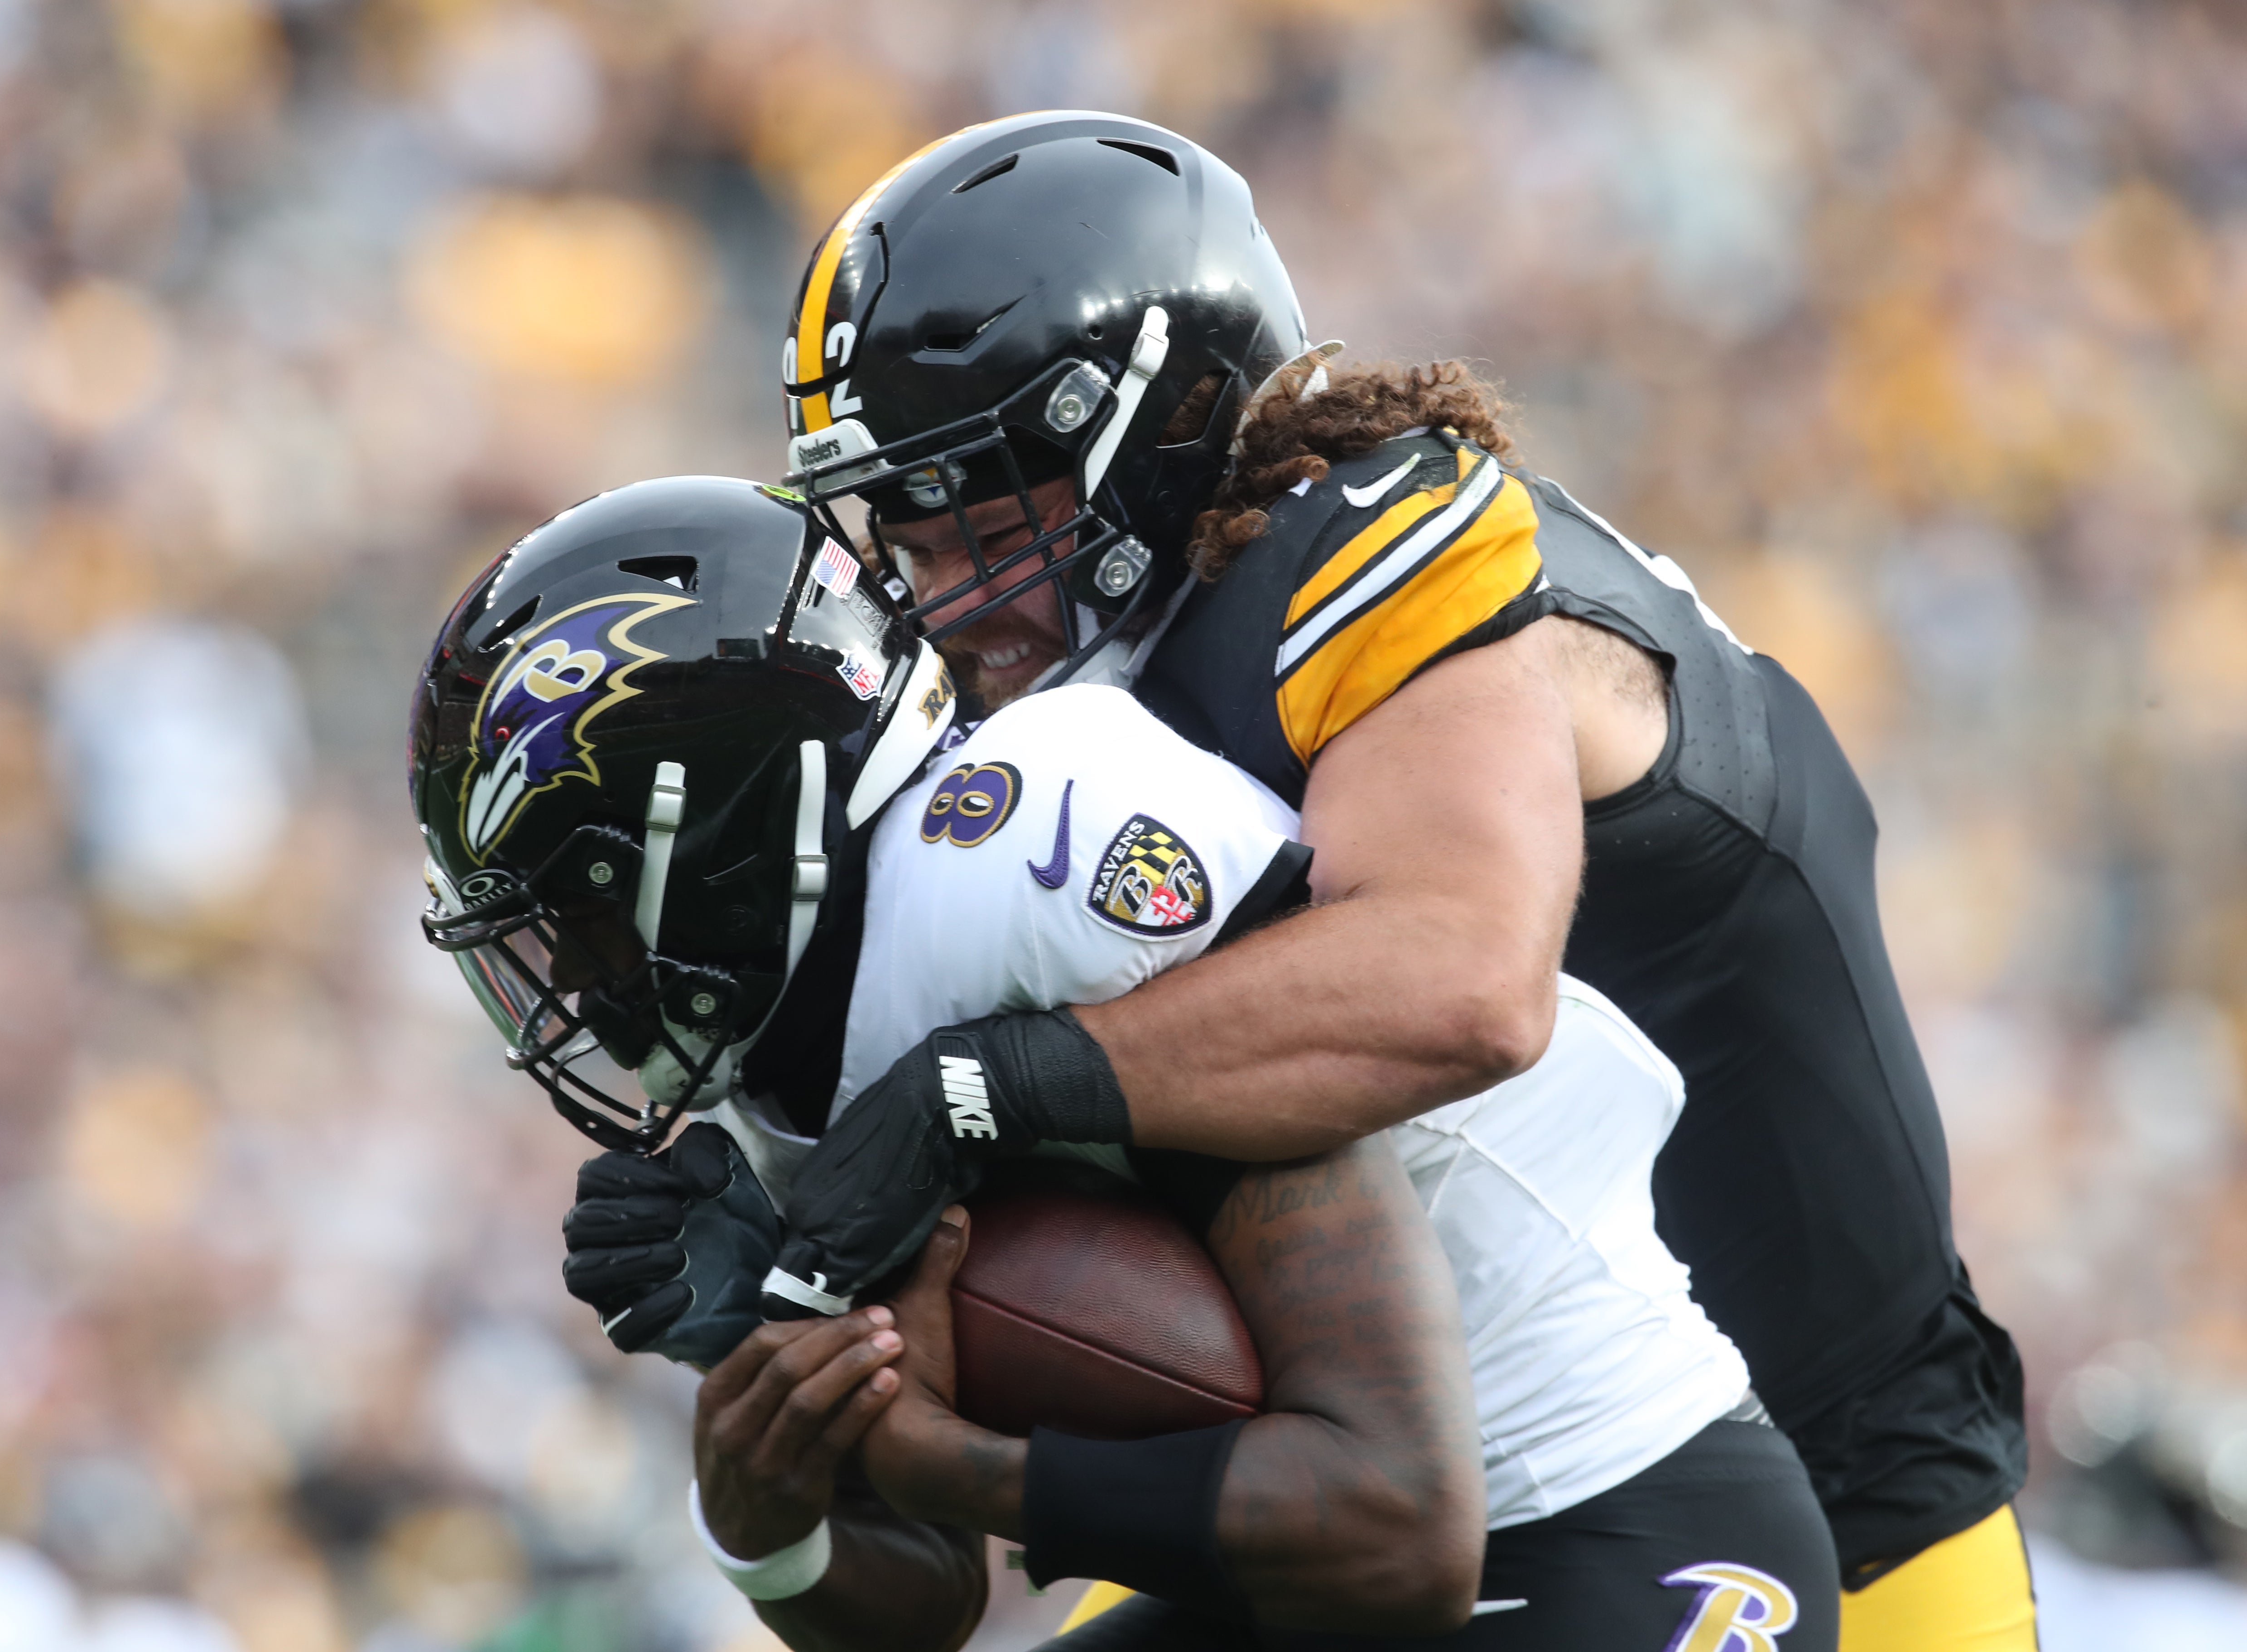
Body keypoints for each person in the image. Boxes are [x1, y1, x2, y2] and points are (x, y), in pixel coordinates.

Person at [765, 113, 2034, 1652]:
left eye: (974, 506)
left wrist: (987, 1085)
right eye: (897, 524)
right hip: (1386, 1453)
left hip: (1811, 1476)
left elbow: (1462, 984)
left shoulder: (1377, 543)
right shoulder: (1112, 686)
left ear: (1151, 429)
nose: (932, 586)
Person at [409, 478, 1839, 1649]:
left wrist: (928, 1453)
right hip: (1313, 1591)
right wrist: (765, 1497)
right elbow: (930, 1607)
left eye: (585, 912)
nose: (579, 987)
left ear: (720, 830)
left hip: (1619, 1523)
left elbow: (1399, 1521)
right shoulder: (788, 1048)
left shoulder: (1026, 864)